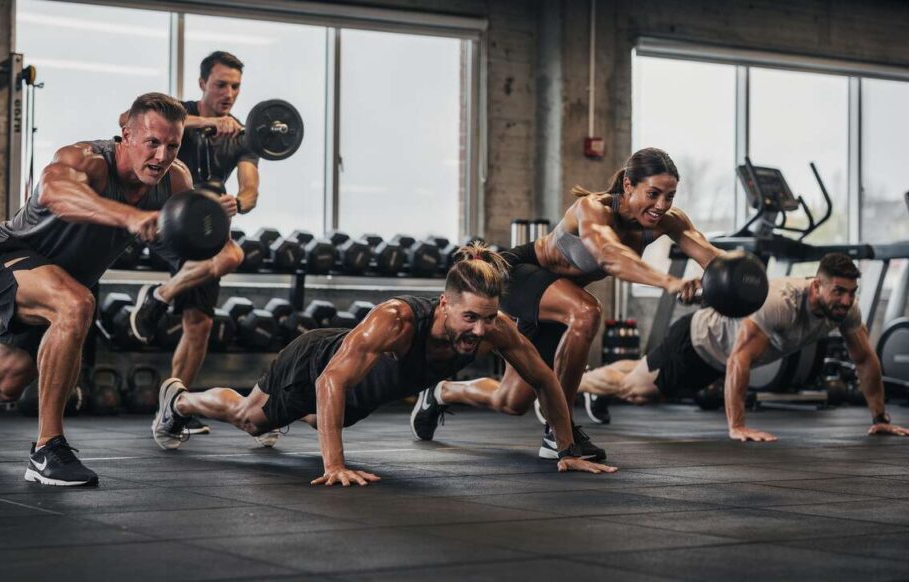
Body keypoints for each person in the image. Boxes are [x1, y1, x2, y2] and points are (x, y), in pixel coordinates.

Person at [0, 93, 230, 486]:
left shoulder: (175, 181)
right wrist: (130, 216)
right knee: (76, 304)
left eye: (172, 145)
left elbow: (198, 236)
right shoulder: (88, 159)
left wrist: (213, 228)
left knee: (1, 385)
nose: (161, 155)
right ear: (126, 134)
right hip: (5, 256)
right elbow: (56, 194)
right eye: (152, 142)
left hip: (59, 280)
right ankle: (46, 450)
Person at [151, 243, 618, 485]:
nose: (479, 330)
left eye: (488, 318)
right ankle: (180, 401)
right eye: (470, 318)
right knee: (250, 420)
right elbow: (332, 377)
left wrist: (567, 448)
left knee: (319, 415)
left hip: (353, 397)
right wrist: (334, 465)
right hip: (316, 362)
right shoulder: (395, 321)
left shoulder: (495, 328)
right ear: (444, 306)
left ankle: (280, 416)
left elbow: (544, 380)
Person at [411, 147, 724, 460]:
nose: (661, 205)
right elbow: (610, 257)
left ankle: (440, 392)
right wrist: (670, 282)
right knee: (587, 311)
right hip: (520, 273)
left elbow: (714, 259)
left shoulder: (668, 221)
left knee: (511, 401)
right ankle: (559, 430)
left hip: (559, 297)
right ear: (628, 185)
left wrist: (745, 281)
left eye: (669, 196)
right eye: (653, 194)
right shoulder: (593, 209)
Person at [577, 253, 909, 441]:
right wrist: (736, 425)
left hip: (714, 358)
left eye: (851, 292)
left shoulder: (846, 311)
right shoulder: (778, 301)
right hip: (696, 342)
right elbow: (740, 359)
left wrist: (880, 416)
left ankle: (592, 382)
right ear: (816, 285)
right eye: (839, 291)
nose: (846, 300)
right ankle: (571, 383)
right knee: (633, 391)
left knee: (642, 382)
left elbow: (865, 360)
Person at [124, 51, 257, 436]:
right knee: (232, 253)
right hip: (161, 214)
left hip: (204, 228)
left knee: (198, 324)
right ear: (202, 84)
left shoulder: (242, 136)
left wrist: (240, 202)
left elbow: (250, 188)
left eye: (235, 86)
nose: (228, 92)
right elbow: (124, 121)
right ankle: (160, 296)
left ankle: (172, 407)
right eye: (221, 84)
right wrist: (208, 123)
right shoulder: (178, 113)